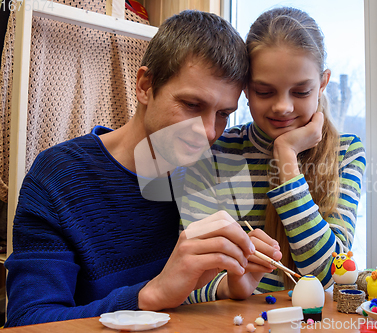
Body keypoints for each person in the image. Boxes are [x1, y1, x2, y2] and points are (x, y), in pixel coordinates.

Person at [4, 10, 282, 327]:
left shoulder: (205, 176)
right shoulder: (58, 177)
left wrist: (227, 286)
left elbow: (185, 301)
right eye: (192, 105)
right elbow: (27, 321)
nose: (208, 132)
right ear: (145, 86)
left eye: (223, 113)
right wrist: (149, 296)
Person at [181, 7, 366, 293]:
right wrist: (231, 288)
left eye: (301, 92)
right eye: (264, 92)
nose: (283, 107)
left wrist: (287, 156)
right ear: (245, 89)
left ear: (323, 84)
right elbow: (187, 282)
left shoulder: (346, 152)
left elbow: (329, 274)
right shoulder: (215, 153)